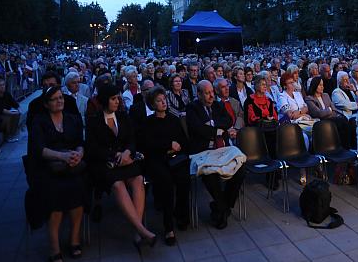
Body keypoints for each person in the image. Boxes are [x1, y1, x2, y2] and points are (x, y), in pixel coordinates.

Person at [86, 82, 156, 250]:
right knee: (118, 185)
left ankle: (138, 231)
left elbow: (132, 139)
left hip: (126, 160)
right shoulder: (94, 121)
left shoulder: (124, 117)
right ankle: (140, 230)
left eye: (118, 98)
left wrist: (127, 152)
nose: (117, 101)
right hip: (106, 164)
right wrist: (113, 155)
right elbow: (92, 148)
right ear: (104, 100)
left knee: (138, 179)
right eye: (113, 99)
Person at [27, 85, 86, 261]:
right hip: (49, 166)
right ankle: (54, 247)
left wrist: (78, 154)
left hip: (72, 165)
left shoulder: (71, 119)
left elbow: (80, 142)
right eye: (54, 99)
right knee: (55, 195)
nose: (59, 101)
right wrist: (63, 156)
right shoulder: (39, 121)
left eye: (61, 97)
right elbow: (39, 149)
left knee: (79, 189)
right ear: (46, 104)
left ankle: (74, 239)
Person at [186, 80, 244, 229]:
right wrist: (217, 129)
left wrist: (211, 123)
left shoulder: (218, 105)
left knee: (240, 169)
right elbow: (197, 129)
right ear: (199, 94)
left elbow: (228, 120)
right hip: (203, 151)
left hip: (222, 149)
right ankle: (223, 209)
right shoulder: (192, 108)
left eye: (212, 92)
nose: (211, 95)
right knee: (210, 175)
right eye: (207, 93)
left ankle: (221, 206)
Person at [140, 88, 190, 245]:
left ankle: (181, 215)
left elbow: (183, 140)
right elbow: (147, 144)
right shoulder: (148, 122)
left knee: (184, 179)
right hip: (157, 160)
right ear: (152, 104)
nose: (163, 102)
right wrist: (168, 144)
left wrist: (177, 146)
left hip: (175, 158)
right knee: (166, 184)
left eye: (164, 99)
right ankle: (168, 227)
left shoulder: (174, 119)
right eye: (159, 101)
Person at [0, 77, 21, 142]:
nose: (2, 87)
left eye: (3, 84)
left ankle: (12, 133)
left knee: (17, 114)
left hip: (6, 113)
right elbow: (1, 110)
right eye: (0, 85)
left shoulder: (7, 94)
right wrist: (13, 113)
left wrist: (18, 109)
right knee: (8, 117)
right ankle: (8, 137)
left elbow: (14, 103)